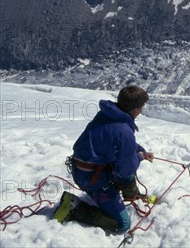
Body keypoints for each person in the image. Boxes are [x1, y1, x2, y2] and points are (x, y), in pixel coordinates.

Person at [54, 85, 154, 232]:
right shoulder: (124, 131)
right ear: (135, 110)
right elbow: (126, 168)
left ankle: (131, 194)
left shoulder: (107, 115)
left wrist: (140, 151)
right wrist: (139, 157)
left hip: (83, 170)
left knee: (128, 161)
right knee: (123, 225)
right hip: (93, 180)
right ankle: (74, 207)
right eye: (141, 107)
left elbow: (119, 144)